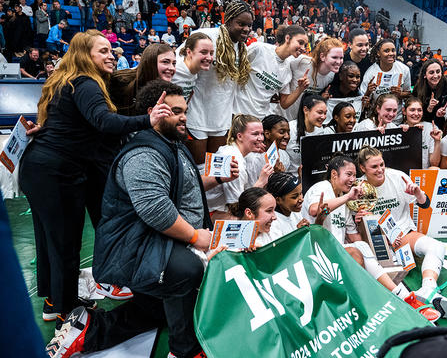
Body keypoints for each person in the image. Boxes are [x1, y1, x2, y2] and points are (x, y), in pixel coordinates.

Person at [45, 80, 233, 358]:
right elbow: (155, 209)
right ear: (153, 112)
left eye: (184, 111)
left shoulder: (172, 143)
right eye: (175, 111)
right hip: (133, 247)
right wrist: (195, 237)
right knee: (186, 271)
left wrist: (217, 178)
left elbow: (182, 189)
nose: (183, 117)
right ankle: (185, 351)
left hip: (155, 238)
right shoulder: (144, 152)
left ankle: (88, 330)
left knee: (158, 310)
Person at [19, 30, 173, 331]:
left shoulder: (63, 81)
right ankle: (67, 310)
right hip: (57, 173)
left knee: (48, 239)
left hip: (39, 168)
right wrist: (149, 120)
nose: (111, 54)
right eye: (103, 51)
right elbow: (104, 122)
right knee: (66, 243)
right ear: (84, 54)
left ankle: (53, 302)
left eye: (111, 50)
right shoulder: (87, 83)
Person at [302, 155, 444, 322]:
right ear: (334, 174)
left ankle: (410, 297)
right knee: (358, 249)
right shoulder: (323, 187)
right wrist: (348, 198)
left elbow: (357, 238)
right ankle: (404, 298)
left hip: (340, 251)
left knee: (361, 246)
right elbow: (314, 210)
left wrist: (375, 234)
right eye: (348, 174)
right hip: (316, 253)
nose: (352, 179)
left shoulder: (347, 200)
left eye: (354, 175)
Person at [355, 147, 447, 319]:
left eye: (382, 164)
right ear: (362, 168)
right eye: (374, 167)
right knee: (390, 278)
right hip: (379, 244)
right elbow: (354, 227)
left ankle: (428, 288)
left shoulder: (397, 177)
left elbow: (425, 204)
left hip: (403, 235)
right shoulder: (358, 188)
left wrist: (418, 193)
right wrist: (359, 219)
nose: (380, 169)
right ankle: (412, 306)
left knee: (437, 246)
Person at [176, 0, 254, 159]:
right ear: (229, 20)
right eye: (241, 24)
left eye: (249, 25)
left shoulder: (242, 48)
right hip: (197, 113)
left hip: (222, 117)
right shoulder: (207, 37)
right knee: (198, 166)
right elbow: (180, 63)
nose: (246, 29)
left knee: (214, 167)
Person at [236, 24, 308, 119]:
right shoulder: (259, 49)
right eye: (300, 42)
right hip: (237, 113)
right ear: (287, 38)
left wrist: (300, 89)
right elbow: (235, 67)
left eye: (305, 45)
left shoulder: (287, 72)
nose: (303, 48)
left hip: (260, 119)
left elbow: (284, 103)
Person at [207, 114, 267, 218]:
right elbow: (237, 207)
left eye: (262, 133)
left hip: (218, 208)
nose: (261, 138)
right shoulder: (234, 160)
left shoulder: (230, 149)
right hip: (212, 212)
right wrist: (260, 183)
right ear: (239, 136)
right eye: (255, 134)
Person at [278, 37, 344, 121]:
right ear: (322, 56)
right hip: (282, 116)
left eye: (341, 58)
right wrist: (276, 89)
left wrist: (322, 97)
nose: (338, 62)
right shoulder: (302, 62)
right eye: (334, 57)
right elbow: (280, 61)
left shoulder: (331, 74)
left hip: (302, 121)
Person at [110, 43, 176, 115]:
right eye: (165, 62)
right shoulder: (122, 81)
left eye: (174, 63)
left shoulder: (167, 91)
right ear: (150, 62)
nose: (172, 68)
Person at [360, 38, 411, 123]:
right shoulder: (371, 73)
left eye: (393, 50)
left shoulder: (404, 69)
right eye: (386, 51)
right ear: (378, 53)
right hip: (376, 120)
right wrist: (368, 92)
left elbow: (408, 93)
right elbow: (362, 100)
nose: (391, 54)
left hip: (396, 120)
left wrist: (400, 94)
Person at [258, 173, 309, 245]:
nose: (301, 199)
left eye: (301, 193)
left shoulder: (295, 211)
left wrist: (320, 219)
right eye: (294, 197)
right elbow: (280, 251)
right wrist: (297, 234)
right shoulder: (272, 222)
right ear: (278, 200)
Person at [171, 32, 214, 117]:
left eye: (211, 53)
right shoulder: (174, 70)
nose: (209, 57)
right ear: (189, 52)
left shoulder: (195, 73)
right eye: (204, 52)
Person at [246, 114, 292, 186]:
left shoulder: (284, 155)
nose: (287, 136)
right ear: (267, 134)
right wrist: (276, 176)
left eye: (288, 132)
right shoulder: (254, 159)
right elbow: (251, 193)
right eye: (282, 132)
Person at [287, 94, 327, 173]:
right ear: (305, 110)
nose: (323, 117)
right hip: (290, 176)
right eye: (320, 112)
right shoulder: (289, 129)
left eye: (325, 113)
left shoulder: (320, 131)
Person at [401, 97, 442, 169]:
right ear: (404, 111)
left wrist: (437, 141)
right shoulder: (399, 129)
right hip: (404, 172)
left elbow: (434, 163)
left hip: (423, 173)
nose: (416, 113)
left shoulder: (430, 128)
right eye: (412, 110)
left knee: (435, 169)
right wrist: (411, 134)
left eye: (419, 110)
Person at [413, 58, 447, 124]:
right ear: (425, 75)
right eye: (431, 72)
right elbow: (419, 115)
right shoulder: (419, 88)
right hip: (428, 123)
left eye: (438, 72)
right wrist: (429, 108)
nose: (435, 76)